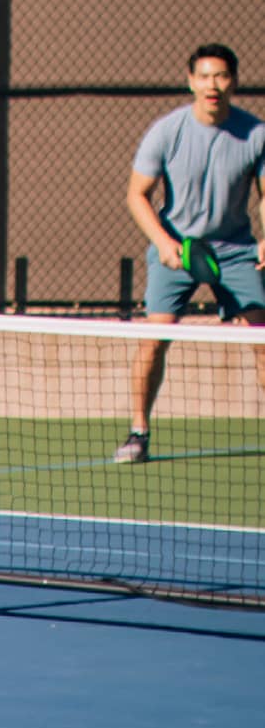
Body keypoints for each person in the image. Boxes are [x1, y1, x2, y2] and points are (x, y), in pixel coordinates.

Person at [112, 42, 265, 463]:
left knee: (263, 338)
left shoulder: (255, 134)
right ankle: (138, 433)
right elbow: (137, 195)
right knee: (153, 339)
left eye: (221, 76)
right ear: (191, 81)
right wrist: (164, 243)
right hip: (177, 247)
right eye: (204, 76)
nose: (212, 85)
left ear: (233, 81)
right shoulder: (167, 131)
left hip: (235, 251)